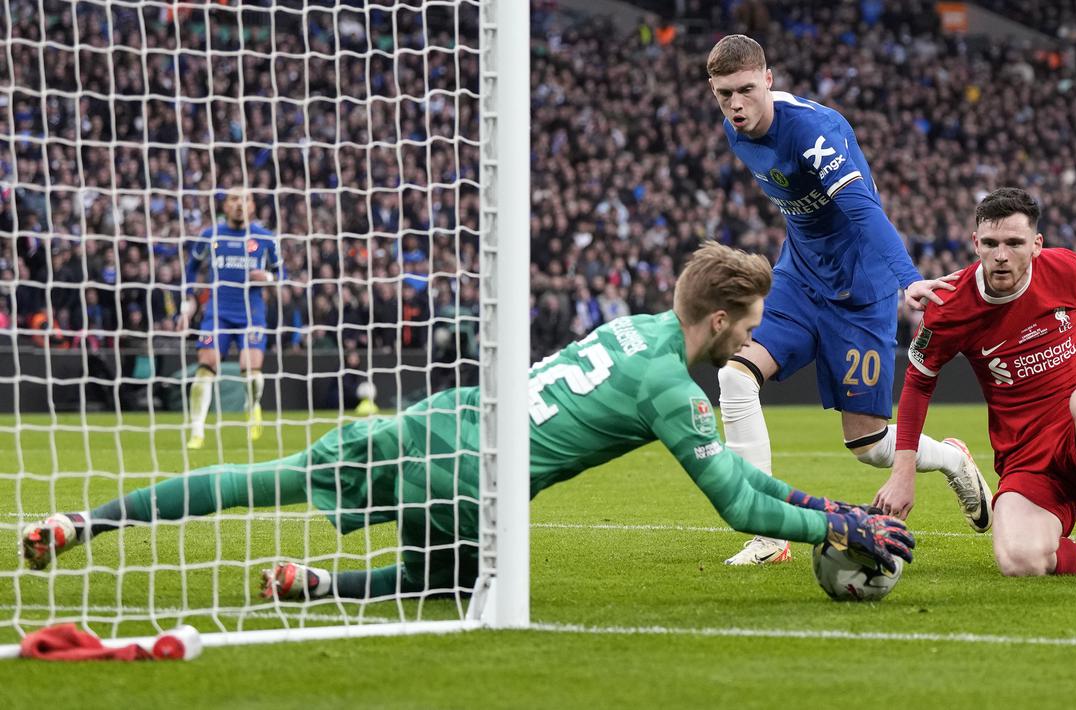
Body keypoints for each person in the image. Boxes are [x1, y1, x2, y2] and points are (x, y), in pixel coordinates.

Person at [21, 243, 915, 600]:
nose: (759, 335)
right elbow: (736, 507)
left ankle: (81, 523)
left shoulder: (638, 332)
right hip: (472, 478)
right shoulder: (671, 391)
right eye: (752, 322)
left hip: (438, 423)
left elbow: (749, 480)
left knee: (265, 481)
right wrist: (836, 520)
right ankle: (325, 587)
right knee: (458, 582)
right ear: (719, 321)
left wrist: (825, 507)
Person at [705, 34, 991, 565]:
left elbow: (863, 211)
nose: (736, 105)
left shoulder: (816, 133)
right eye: (725, 95)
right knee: (734, 378)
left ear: (769, 79)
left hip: (861, 292)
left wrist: (908, 279)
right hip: (799, 280)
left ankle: (951, 459)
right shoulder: (734, 130)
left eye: (746, 89)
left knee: (870, 447)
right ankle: (770, 536)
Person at [881, 187, 1076, 583]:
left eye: (1014, 243)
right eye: (992, 243)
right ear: (975, 243)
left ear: (1036, 245)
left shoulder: (1068, 270)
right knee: (1019, 560)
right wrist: (903, 470)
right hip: (1027, 454)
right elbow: (917, 384)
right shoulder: (949, 307)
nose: (1001, 255)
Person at [178, 189, 281, 448]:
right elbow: (191, 270)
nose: (239, 204)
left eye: (244, 199)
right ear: (225, 205)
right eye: (234, 199)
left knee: (252, 372)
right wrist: (187, 303)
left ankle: (253, 406)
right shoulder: (210, 235)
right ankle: (197, 431)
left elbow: (283, 274)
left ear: (252, 206)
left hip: (251, 312)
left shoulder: (265, 239)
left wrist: (268, 278)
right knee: (206, 366)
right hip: (218, 312)